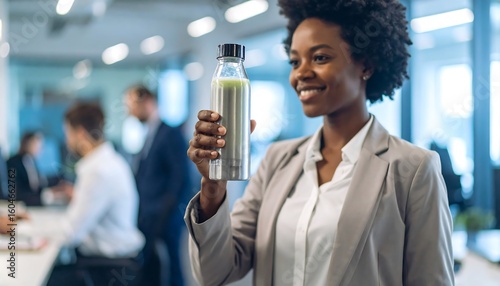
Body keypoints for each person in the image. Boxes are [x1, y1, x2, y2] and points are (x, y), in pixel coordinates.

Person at [185, 0, 454, 285]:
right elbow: (215, 272)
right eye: (294, 61)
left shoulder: (412, 169)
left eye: (321, 58)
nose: (301, 73)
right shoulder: (278, 160)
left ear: (366, 65)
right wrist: (214, 187)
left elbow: (431, 279)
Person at [48, 102, 144, 285]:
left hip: (107, 269)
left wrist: (27, 232)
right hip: (115, 262)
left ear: (81, 134)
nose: (67, 141)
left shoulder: (97, 170)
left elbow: (70, 234)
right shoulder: (109, 161)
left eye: (68, 133)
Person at [125, 85, 191, 286]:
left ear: (146, 102)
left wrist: (166, 213)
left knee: (172, 267)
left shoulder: (170, 133)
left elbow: (180, 178)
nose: (129, 111)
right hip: (150, 215)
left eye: (131, 105)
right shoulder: (149, 134)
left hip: (165, 216)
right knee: (154, 268)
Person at [6, 131, 48, 206]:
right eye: (36, 144)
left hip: (34, 204)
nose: (39, 148)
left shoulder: (32, 161)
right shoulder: (13, 163)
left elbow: (37, 185)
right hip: (18, 204)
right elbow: (14, 191)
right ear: (27, 144)